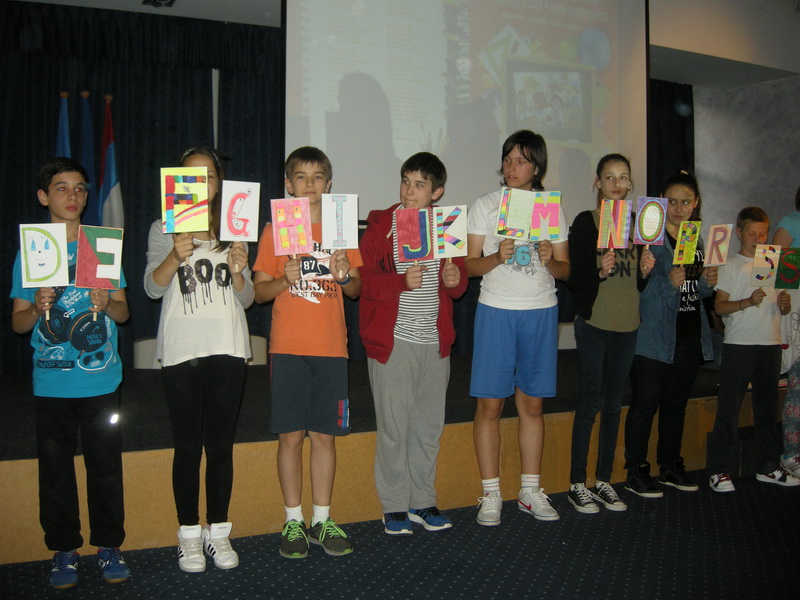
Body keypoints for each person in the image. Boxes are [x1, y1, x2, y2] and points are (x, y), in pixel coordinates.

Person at [11, 157, 130, 588]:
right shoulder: (33, 250)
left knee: (105, 468)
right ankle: (63, 548)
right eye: (62, 188)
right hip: (53, 379)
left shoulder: (100, 246)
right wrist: (37, 307)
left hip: (100, 379)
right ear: (44, 197)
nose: (73, 196)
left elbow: (124, 313)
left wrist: (107, 304)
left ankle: (108, 544)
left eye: (80, 188)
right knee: (56, 470)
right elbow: (18, 323)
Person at [143, 146, 253, 572]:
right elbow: (152, 288)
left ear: (219, 182)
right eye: (191, 175)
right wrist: (175, 253)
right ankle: (189, 534)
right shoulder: (163, 227)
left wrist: (239, 270)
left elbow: (246, 299)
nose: (201, 183)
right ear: (177, 182)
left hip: (228, 345)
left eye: (208, 175)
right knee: (188, 446)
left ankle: (218, 531)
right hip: (182, 347)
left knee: (221, 445)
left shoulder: (233, 227)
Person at [253, 146, 362, 558]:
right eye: (301, 176)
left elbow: (356, 289)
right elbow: (259, 294)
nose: (309, 184)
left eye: (318, 177)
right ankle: (293, 519)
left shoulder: (340, 228)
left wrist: (344, 275)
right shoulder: (275, 230)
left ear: (328, 185)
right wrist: (284, 279)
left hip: (331, 349)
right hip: (289, 348)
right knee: (290, 437)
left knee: (325, 437)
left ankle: (322, 518)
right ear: (288, 184)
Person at [359, 152, 468, 535]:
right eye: (406, 181)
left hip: (434, 345)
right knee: (394, 428)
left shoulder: (447, 225)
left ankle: (422, 500)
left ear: (436, 192)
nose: (409, 191)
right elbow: (364, 282)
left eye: (420, 185)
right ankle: (393, 506)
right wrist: (400, 282)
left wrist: (454, 280)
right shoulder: (381, 225)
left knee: (427, 428)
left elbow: (458, 284)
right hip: (395, 341)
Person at [466, 130, 570, 525]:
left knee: (532, 404)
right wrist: (495, 257)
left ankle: (529, 490)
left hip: (539, 310)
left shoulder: (550, 209)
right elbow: (469, 265)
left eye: (522, 160)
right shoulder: (486, 205)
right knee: (490, 405)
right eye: (508, 159)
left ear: (536, 168)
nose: (512, 167)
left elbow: (565, 270)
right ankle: (491, 492)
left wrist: (549, 258)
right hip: (496, 309)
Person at [565, 154, 654, 514]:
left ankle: (604, 480)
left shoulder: (638, 226)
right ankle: (577, 483)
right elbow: (574, 278)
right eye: (610, 177)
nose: (617, 184)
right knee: (590, 403)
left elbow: (636, 283)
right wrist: (598, 272)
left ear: (630, 184)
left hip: (627, 325)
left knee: (614, 405)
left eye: (624, 177)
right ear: (597, 182)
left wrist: (645, 271)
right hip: (594, 324)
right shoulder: (587, 221)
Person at [624, 169, 716, 498]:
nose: (679, 208)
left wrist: (708, 282)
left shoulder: (696, 238)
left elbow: (698, 291)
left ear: (696, 203)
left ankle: (669, 466)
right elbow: (639, 292)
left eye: (685, 202)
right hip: (654, 336)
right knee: (645, 404)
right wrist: (667, 282)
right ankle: (636, 470)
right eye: (672, 202)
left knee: (676, 404)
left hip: (689, 334)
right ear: (661, 203)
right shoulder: (650, 238)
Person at [707, 206, 800, 491]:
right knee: (729, 408)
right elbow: (719, 307)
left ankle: (768, 466)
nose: (758, 239)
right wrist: (747, 302)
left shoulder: (773, 261)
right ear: (739, 233)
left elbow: (781, 306)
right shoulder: (731, 265)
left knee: (767, 409)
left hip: (770, 343)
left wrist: (784, 305)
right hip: (740, 345)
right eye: (752, 234)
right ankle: (719, 470)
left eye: (762, 234)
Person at [770, 184, 800, 478]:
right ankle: (791, 453)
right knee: (797, 388)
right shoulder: (791, 223)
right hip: (795, 314)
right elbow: (773, 269)